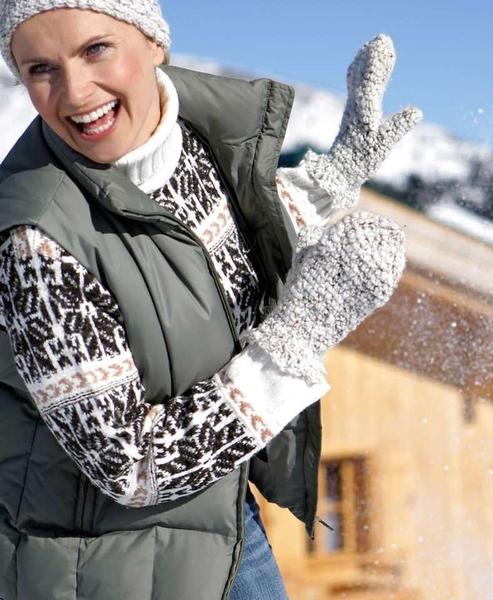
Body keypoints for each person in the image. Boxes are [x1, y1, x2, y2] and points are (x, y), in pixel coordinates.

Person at [0, 1, 421, 599]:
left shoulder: (192, 143)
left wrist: (335, 177)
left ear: (153, 42)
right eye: (40, 68)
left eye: (96, 49)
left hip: (213, 518)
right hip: (95, 562)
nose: (74, 91)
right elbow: (131, 466)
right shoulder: (35, 244)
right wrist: (298, 338)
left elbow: (206, 258)